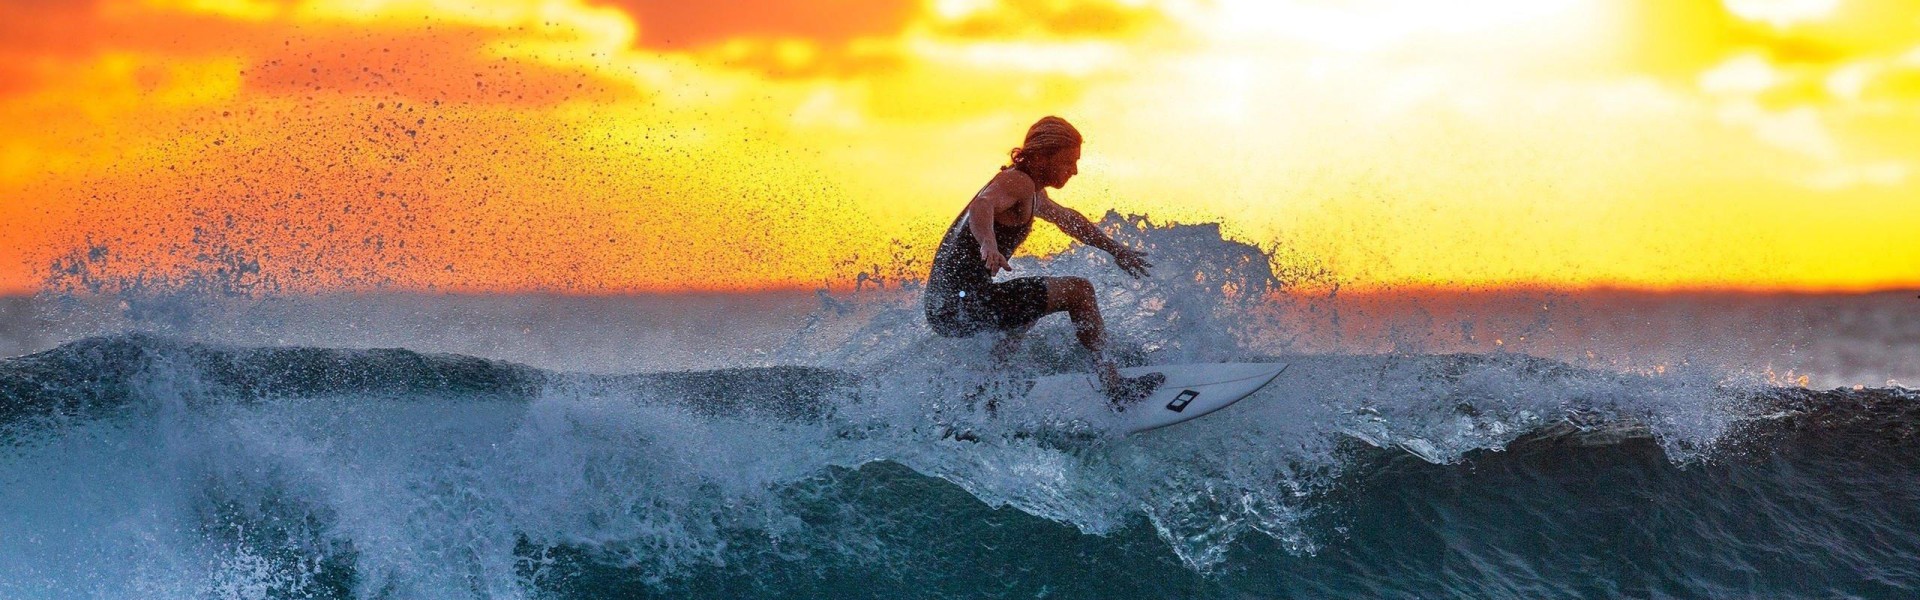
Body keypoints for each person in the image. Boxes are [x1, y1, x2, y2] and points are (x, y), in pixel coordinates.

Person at [923, 116, 1165, 407]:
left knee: (1032, 306)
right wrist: (988, 242)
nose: (1074, 171)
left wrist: (1115, 249)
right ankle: (1114, 386)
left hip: (946, 308)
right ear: (1040, 156)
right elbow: (982, 204)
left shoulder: (1031, 190)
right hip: (960, 304)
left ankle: (984, 395)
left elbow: (1069, 220)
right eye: (1067, 162)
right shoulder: (1017, 181)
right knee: (1079, 291)